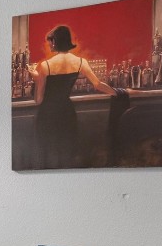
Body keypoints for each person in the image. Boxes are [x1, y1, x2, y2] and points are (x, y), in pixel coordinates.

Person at [29, 25, 120, 168]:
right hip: (66, 112)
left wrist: (36, 78)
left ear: (55, 42)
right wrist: (117, 92)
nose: (50, 44)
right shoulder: (81, 62)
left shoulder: (45, 65)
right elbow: (97, 84)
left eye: (51, 41)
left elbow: (38, 100)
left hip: (48, 114)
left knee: (48, 154)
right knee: (67, 153)